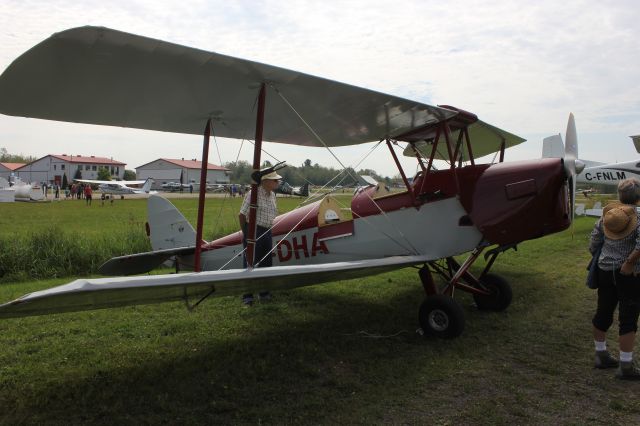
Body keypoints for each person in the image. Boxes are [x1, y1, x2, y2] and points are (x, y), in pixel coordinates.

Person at [589, 178, 640, 380]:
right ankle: (626, 365)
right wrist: (629, 262)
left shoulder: (607, 217)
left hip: (604, 270)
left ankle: (601, 355)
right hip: (630, 273)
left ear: (620, 196)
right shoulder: (639, 216)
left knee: (603, 311)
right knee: (628, 316)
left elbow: (593, 243)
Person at [238, 171, 281, 306]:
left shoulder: (273, 195)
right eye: (274, 180)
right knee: (250, 263)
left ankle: (264, 293)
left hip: (268, 231)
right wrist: (247, 233)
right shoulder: (253, 194)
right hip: (254, 231)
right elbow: (241, 215)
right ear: (266, 181)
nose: (277, 182)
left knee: (267, 263)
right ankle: (247, 296)